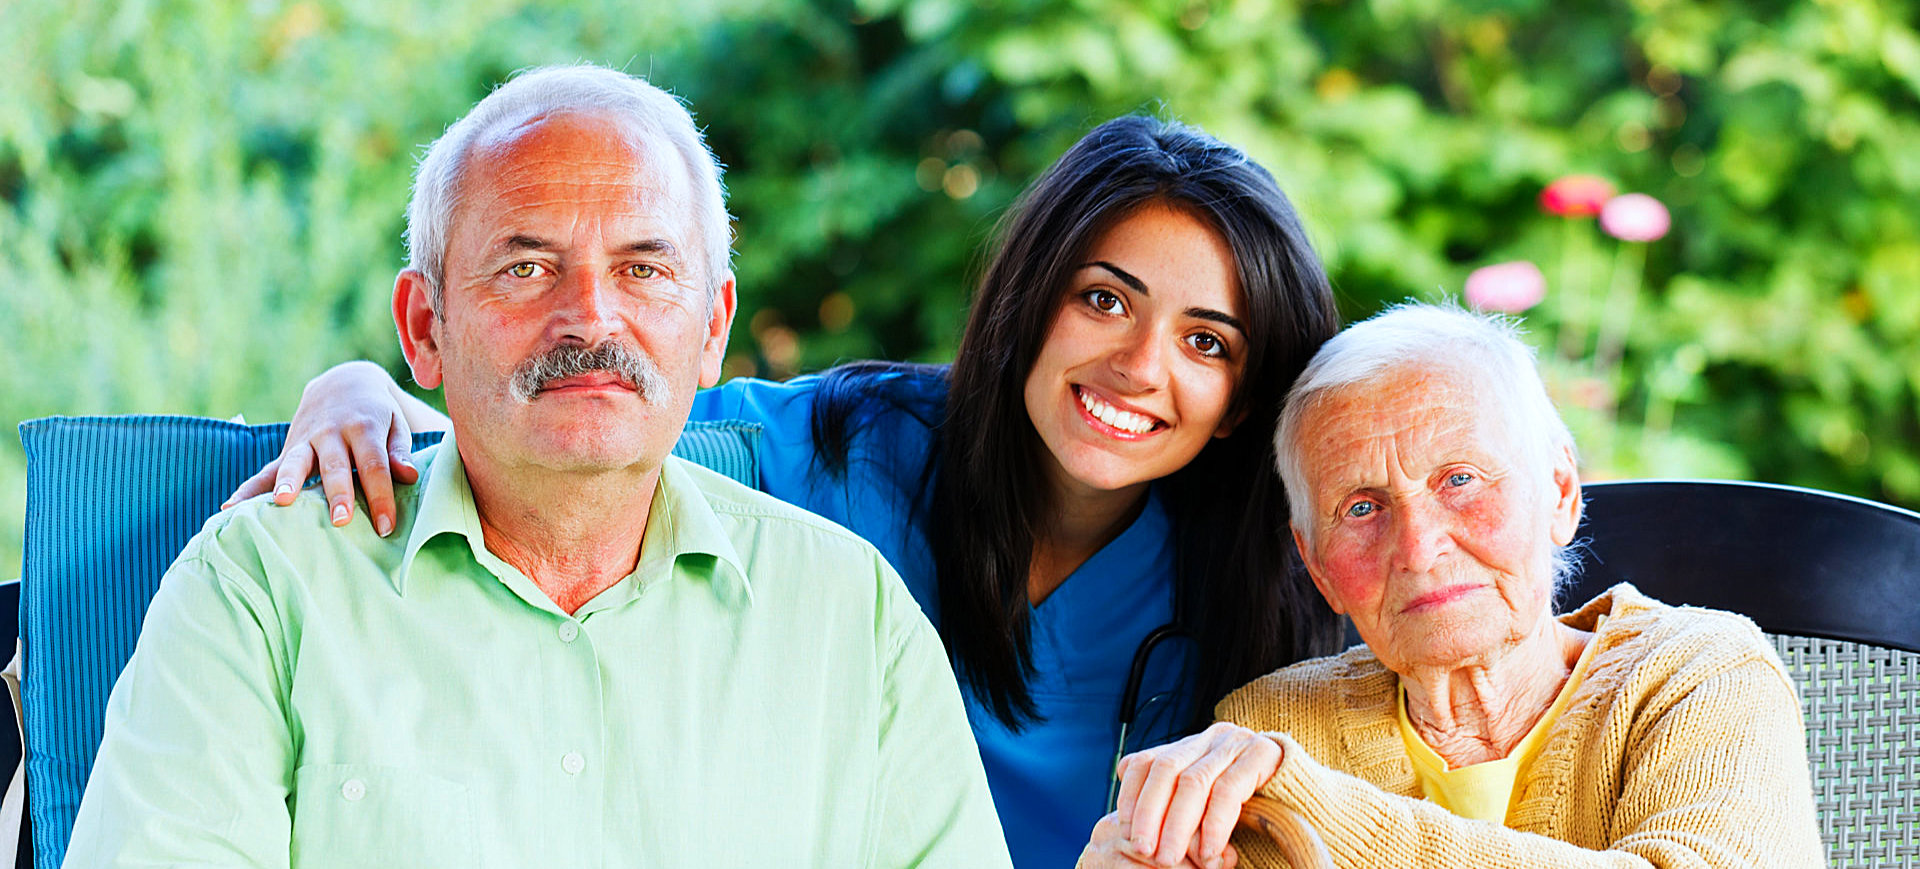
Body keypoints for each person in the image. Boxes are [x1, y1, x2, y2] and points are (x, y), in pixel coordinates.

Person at [227, 115, 1346, 865]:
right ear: (1034, 292)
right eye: (1105, 300)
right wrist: (361, 388)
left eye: (1208, 341)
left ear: (1246, 396)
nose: (1140, 366)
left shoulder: (1262, 578)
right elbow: (577, 412)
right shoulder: (843, 449)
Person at [65, 65, 1011, 867]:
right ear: (425, 330)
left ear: (714, 325)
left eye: (644, 269)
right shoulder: (261, 586)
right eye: (525, 269)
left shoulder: (854, 616)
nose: (591, 318)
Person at [1080, 304, 1824, 869]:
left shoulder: (1704, 672)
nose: (1419, 547)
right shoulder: (1273, 724)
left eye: (1459, 479)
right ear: (1317, 566)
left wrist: (1317, 807)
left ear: (1561, 491)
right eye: (1362, 507)